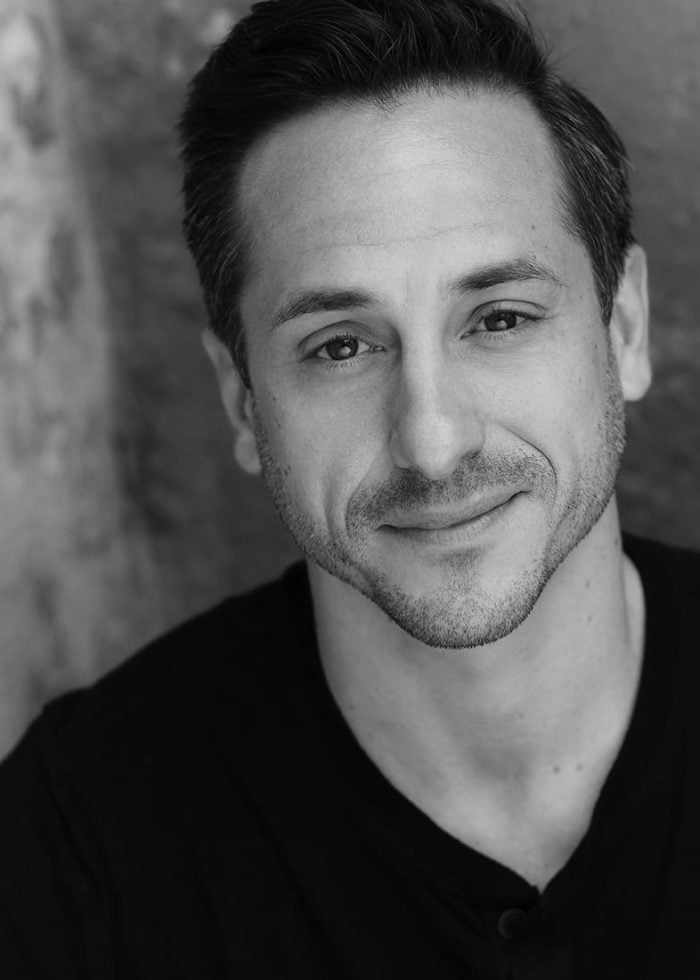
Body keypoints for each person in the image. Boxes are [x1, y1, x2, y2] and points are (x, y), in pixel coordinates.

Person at [1, 0, 699, 976]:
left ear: (622, 328)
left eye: (497, 319)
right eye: (339, 345)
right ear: (243, 401)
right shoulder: (78, 844)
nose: (432, 438)